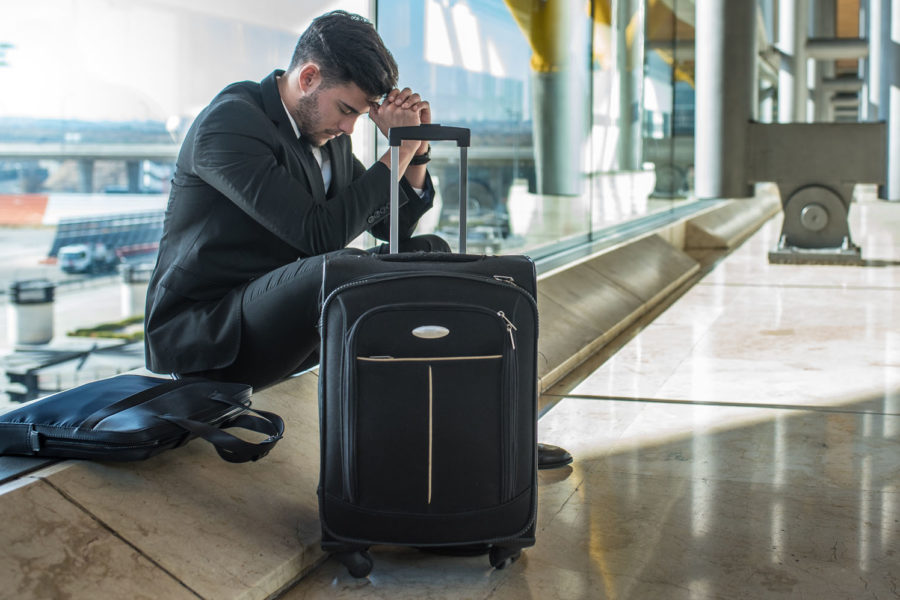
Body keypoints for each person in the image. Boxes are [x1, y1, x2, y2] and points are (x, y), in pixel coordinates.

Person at [143, 10, 571, 470]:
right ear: (308, 77)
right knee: (341, 268)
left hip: (283, 317)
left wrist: (417, 150)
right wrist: (396, 152)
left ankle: (488, 435)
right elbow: (318, 235)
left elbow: (390, 228)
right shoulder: (230, 125)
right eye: (347, 110)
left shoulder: (327, 138)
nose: (350, 128)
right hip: (210, 333)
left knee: (431, 256)